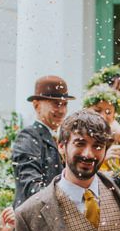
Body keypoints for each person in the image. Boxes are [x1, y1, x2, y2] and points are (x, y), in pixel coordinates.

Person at [12, 75, 74, 209]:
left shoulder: (62, 138)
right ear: (36, 105)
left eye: (65, 104)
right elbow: (31, 186)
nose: (62, 110)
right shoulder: (28, 136)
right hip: (33, 223)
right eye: (56, 104)